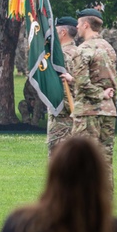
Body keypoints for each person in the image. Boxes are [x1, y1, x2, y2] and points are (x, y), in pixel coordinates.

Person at [64, 8, 117, 185]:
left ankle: (84, 203)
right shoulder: (108, 48)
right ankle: (105, 202)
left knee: (83, 160)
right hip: (108, 112)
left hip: (88, 113)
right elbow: (109, 81)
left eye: (79, 24)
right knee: (105, 160)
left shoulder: (83, 49)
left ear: (86, 25)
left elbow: (83, 83)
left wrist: (99, 94)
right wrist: (106, 96)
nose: (77, 28)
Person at [47, 17, 79, 155]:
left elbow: (63, 86)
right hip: (77, 111)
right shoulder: (80, 52)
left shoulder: (62, 56)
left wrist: (60, 109)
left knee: (58, 156)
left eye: (56, 31)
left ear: (63, 32)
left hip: (63, 114)